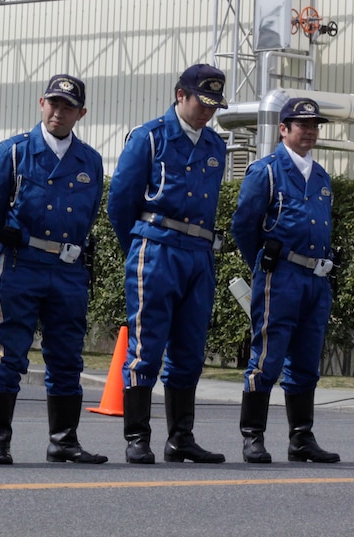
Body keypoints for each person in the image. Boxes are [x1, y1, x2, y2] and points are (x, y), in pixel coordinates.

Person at [0, 74, 107, 465]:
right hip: (22, 265)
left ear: (80, 113)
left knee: (67, 357)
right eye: (53, 103)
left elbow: (90, 214)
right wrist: (3, 252)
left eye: (68, 106)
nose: (58, 112)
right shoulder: (15, 151)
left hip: (67, 271)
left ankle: (64, 440)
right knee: (10, 354)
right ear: (41, 103)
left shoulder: (90, 161)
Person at [106, 63, 228, 465]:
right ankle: (138, 436)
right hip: (156, 247)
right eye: (201, 102)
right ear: (181, 95)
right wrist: (140, 247)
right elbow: (121, 202)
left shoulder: (215, 146)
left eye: (213, 105)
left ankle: (181, 438)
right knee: (147, 345)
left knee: (190, 348)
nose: (207, 112)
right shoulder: (150, 137)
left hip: (198, 253)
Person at [230, 97, 339, 464]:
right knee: (267, 357)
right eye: (301, 124)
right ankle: (253, 436)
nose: (309, 131)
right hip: (281, 276)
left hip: (315, 279)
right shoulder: (267, 170)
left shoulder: (321, 176)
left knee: (307, 360)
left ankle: (301, 438)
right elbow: (244, 226)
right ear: (283, 129)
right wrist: (264, 265)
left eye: (314, 125)